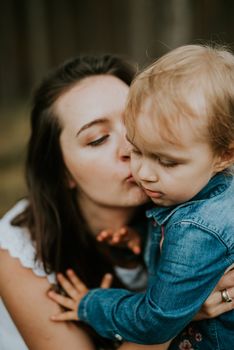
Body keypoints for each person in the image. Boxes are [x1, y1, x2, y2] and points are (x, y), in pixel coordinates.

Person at [0, 53, 233, 350]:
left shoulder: (190, 196)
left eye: (136, 125)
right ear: (62, 172)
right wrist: (185, 311)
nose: (131, 147)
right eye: (98, 138)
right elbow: (160, 319)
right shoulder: (21, 250)